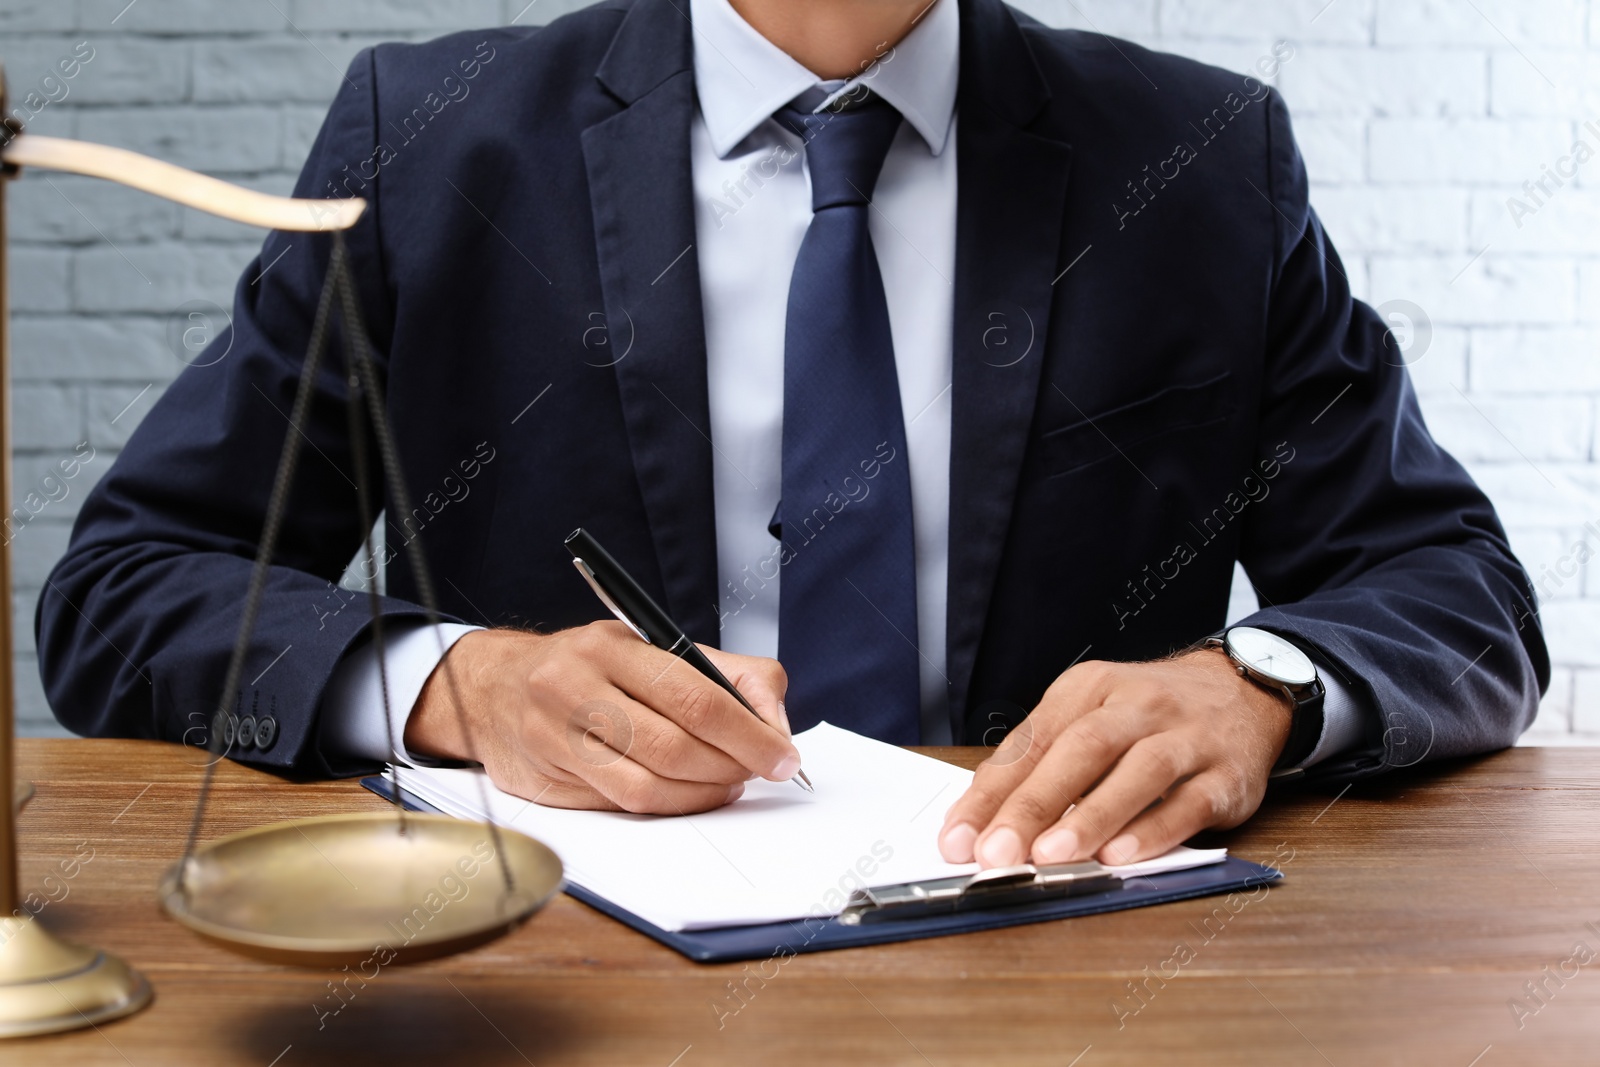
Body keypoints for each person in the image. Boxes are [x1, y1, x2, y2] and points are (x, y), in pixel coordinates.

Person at [38, 0, 1547, 871]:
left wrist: (1260, 682)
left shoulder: (1202, 159)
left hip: (1061, 951)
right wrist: (458, 685)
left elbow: (1454, 590)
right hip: (566, 975)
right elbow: (128, 588)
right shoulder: (434, 136)